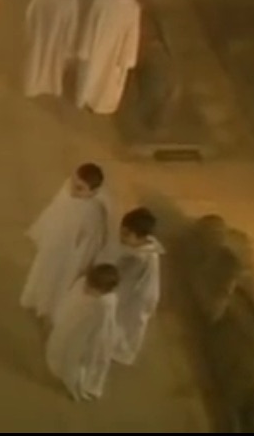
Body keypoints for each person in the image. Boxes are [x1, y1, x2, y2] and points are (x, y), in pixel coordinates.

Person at [20, 163, 110, 320]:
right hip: (52, 247)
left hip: (69, 258)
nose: (73, 191)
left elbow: (90, 244)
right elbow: (54, 210)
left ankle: (50, 311)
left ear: (93, 192)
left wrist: (80, 265)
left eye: (80, 188)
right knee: (43, 275)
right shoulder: (67, 191)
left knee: (58, 284)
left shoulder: (93, 212)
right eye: (73, 183)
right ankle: (38, 302)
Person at [46, 263, 121, 402]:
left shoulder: (103, 304)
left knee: (82, 360)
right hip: (83, 333)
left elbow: (100, 326)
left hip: (91, 337)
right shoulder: (99, 296)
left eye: (91, 288)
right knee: (77, 359)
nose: (86, 289)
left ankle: (79, 385)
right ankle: (76, 382)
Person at [75, 0, 141, 115]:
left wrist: (127, 57)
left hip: (116, 52)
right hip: (97, 47)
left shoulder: (132, 8)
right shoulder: (102, 1)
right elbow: (90, 26)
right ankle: (86, 99)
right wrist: (85, 48)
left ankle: (101, 105)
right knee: (91, 74)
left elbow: (132, 33)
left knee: (108, 80)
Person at [107, 206, 163, 365]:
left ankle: (117, 351)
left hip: (137, 297)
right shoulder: (146, 248)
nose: (121, 237)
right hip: (139, 294)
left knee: (125, 324)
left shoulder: (139, 257)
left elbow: (124, 278)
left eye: (126, 235)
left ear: (140, 237)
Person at [23, 0, 80, 98]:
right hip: (39, 36)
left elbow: (72, 24)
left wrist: (69, 44)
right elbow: (31, 12)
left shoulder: (70, 0)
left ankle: (51, 86)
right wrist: (30, 29)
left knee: (53, 64)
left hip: (57, 40)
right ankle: (34, 85)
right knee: (36, 61)